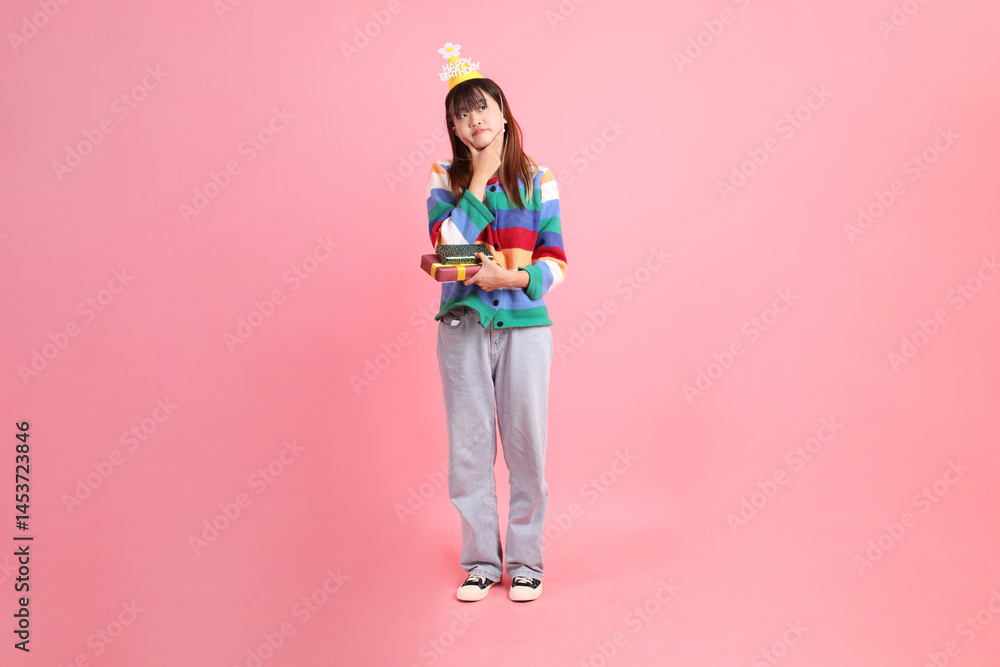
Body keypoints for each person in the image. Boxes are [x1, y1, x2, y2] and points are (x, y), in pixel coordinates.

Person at [425, 43, 568, 602]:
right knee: (469, 449)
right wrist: (480, 178)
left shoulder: (538, 179)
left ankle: (526, 562)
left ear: (503, 112)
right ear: (454, 128)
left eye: (481, 107)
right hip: (462, 326)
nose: (473, 120)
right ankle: (482, 562)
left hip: (525, 327)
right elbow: (447, 250)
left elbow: (555, 261)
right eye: (460, 114)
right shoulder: (444, 177)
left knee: (527, 446)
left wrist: (511, 277)